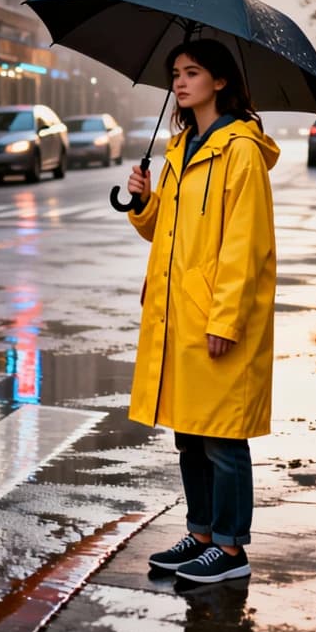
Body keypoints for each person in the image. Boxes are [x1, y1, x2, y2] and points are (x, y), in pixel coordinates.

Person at [126, 38, 279, 585]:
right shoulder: (180, 148)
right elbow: (161, 232)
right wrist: (143, 200)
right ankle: (202, 535)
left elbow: (246, 244)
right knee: (190, 431)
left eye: (192, 73)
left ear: (220, 82)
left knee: (223, 438)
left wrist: (226, 319)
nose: (180, 82)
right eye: (175, 73)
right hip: (176, 314)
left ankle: (232, 551)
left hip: (215, 314)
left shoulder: (239, 150)